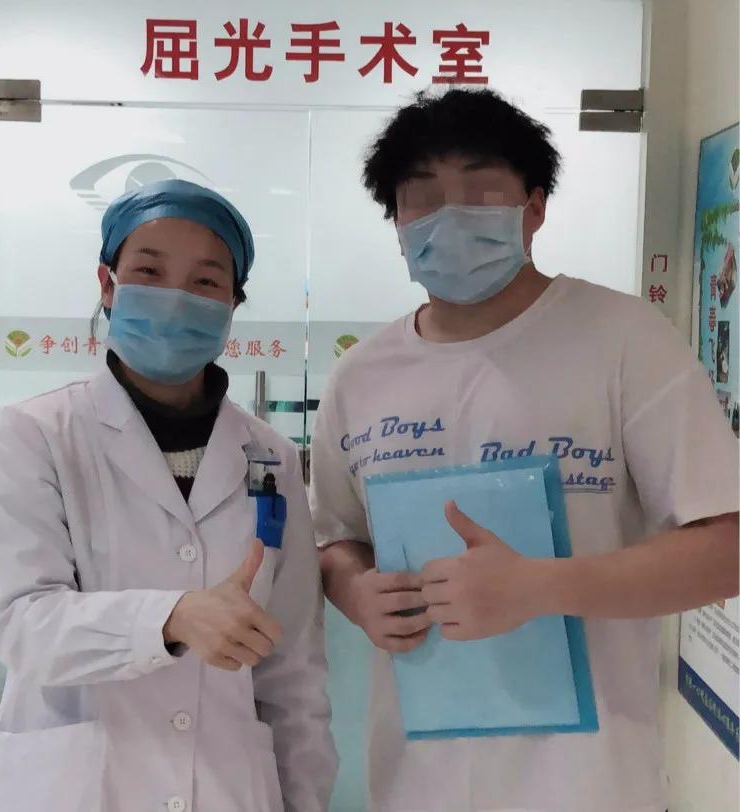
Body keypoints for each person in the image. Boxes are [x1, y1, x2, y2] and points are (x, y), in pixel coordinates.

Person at [310, 89, 739, 812]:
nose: (450, 216)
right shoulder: (361, 376)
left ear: (533, 207)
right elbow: (336, 540)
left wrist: (541, 587)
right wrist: (355, 593)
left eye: (479, 191)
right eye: (423, 197)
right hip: (414, 784)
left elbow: (726, 547)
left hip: (591, 786)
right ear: (397, 221)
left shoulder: (624, 340)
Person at [0, 179, 337, 812]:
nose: (176, 299)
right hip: (78, 787)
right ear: (108, 283)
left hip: (228, 784)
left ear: (233, 302)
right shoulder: (38, 434)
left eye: (205, 281)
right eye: (149, 271)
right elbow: (23, 625)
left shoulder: (272, 458)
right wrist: (170, 619)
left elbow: (294, 675)